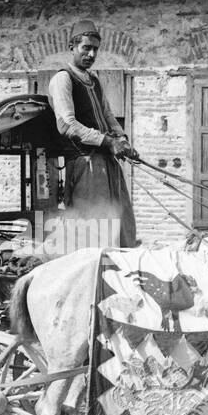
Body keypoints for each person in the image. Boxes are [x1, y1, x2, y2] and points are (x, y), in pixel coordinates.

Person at [47, 18, 138, 248]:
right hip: (84, 163)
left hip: (106, 162)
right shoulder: (63, 79)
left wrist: (123, 140)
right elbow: (67, 125)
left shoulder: (94, 80)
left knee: (121, 220)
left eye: (95, 49)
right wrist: (107, 141)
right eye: (85, 48)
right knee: (95, 227)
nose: (91, 54)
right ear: (72, 47)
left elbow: (108, 115)